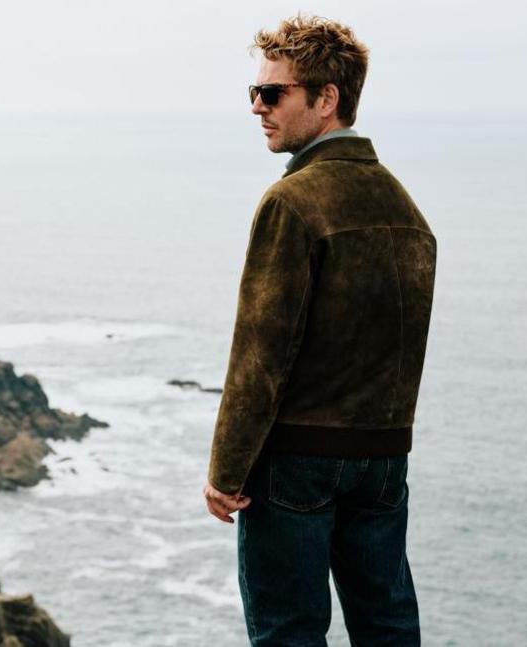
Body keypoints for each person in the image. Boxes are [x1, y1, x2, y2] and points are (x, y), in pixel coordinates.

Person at [202, 15, 437, 645]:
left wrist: (225, 472)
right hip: (383, 462)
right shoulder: (404, 208)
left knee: (289, 635)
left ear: (325, 99)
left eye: (272, 93)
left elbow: (261, 354)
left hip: (296, 467)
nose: (257, 107)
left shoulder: (293, 202)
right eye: (254, 93)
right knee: (388, 627)